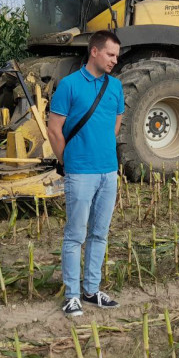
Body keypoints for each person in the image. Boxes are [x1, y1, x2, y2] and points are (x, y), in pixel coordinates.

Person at [47, 30, 125, 317]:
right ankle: (71, 295)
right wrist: (68, 161)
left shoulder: (115, 87)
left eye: (116, 55)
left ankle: (91, 290)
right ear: (94, 51)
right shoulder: (69, 86)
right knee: (75, 235)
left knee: (100, 234)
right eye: (110, 54)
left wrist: (102, 154)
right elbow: (54, 129)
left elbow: (115, 126)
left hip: (108, 171)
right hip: (80, 172)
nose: (115, 60)